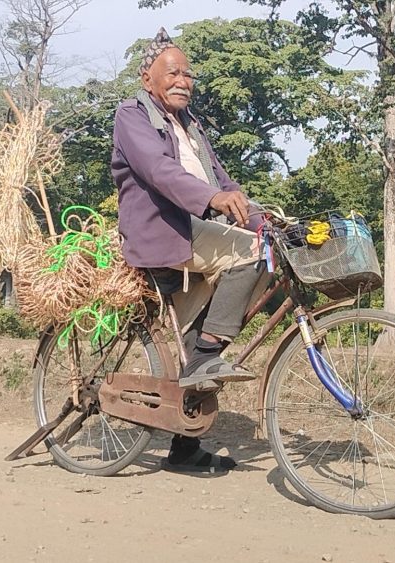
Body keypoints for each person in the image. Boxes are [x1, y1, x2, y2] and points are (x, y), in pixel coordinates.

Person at [110, 28, 268, 473]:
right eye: (172, 72)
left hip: (196, 233)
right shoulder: (132, 116)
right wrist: (215, 202)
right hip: (163, 233)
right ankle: (206, 352)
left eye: (188, 74)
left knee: (267, 245)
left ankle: (183, 447)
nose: (183, 80)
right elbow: (159, 172)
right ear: (148, 79)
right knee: (253, 254)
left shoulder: (191, 125)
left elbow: (223, 182)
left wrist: (261, 216)